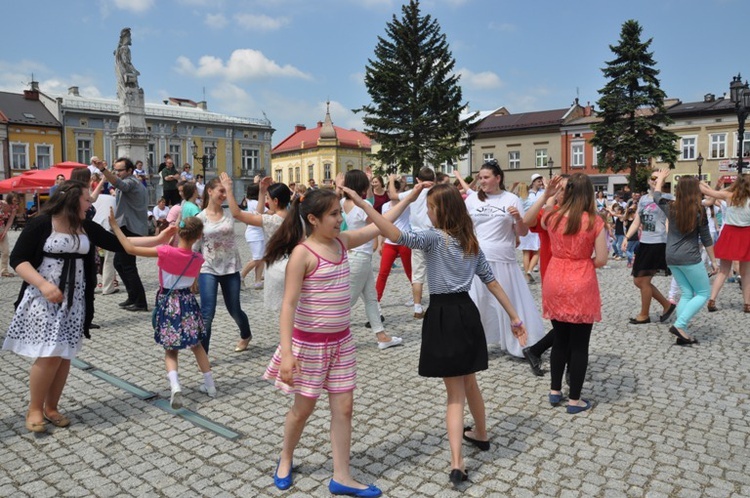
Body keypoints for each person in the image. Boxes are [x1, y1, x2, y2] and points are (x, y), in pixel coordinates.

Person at [347, 183, 526, 486]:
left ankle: (458, 463)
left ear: (440, 210)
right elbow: (492, 281)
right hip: (467, 313)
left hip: (442, 314)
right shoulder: (470, 240)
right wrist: (514, 316)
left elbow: (395, 235)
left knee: (455, 395)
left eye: (429, 207)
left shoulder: (433, 238)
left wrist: (366, 207)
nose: (426, 212)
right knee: (469, 381)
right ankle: (481, 434)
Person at [261, 186, 419, 496]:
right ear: (313, 219)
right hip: (309, 347)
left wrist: (410, 197)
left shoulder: (343, 242)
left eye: (339, 213)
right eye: (334, 214)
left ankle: (342, 476)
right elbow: (288, 306)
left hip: (342, 344)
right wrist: (288, 354)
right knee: (303, 409)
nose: (340, 219)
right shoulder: (302, 254)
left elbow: (381, 224)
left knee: (344, 409)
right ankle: (286, 456)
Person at [2, 180, 173, 433]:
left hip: (74, 298)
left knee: (64, 355)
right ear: (71, 200)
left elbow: (121, 242)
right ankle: (35, 408)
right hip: (44, 297)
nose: (90, 203)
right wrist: (43, 285)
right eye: (86, 199)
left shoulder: (86, 226)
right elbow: (19, 259)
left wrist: (160, 237)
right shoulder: (41, 223)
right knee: (49, 354)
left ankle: (52, 407)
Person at [109, 211, 216, 407]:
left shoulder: (165, 252)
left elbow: (130, 248)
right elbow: (192, 282)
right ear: (198, 236)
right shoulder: (197, 258)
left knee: (171, 349)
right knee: (197, 345)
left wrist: (116, 227)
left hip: (169, 301)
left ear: (179, 232)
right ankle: (210, 386)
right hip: (188, 301)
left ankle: (175, 387)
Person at [541, 173, 608, 414]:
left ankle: (555, 390)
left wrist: (550, 196)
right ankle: (575, 400)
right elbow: (601, 258)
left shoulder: (553, 217)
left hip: (555, 277)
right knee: (579, 345)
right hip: (581, 279)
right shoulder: (594, 222)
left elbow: (544, 210)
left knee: (559, 340)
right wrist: (583, 261)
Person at [464, 160, 544, 360]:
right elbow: (464, 227)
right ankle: (474, 343)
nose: (482, 181)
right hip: (477, 257)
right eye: (480, 178)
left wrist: (518, 219)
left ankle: (518, 342)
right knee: (477, 301)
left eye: (486, 177)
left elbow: (523, 231)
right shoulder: (472, 200)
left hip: (503, 258)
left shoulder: (511, 199)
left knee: (508, 301)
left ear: (498, 178)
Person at [652, 170, 718, 344]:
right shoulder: (700, 210)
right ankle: (680, 324)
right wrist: (713, 261)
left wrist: (660, 179)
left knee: (688, 293)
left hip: (671, 257)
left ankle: (682, 332)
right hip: (690, 257)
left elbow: (656, 196)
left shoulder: (671, 205)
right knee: (703, 293)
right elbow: (706, 239)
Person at [342, 170, 402, 349]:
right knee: (346, 302)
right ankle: (325, 336)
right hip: (359, 257)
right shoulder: (361, 208)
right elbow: (380, 225)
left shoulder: (344, 202)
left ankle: (382, 335)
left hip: (359, 256)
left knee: (371, 298)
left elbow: (369, 201)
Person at [195, 178, 252, 354]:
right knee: (207, 314)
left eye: (226, 191)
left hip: (230, 267)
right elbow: (195, 248)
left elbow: (240, 213)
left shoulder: (230, 213)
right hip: (208, 268)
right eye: (220, 191)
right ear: (209, 191)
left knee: (234, 309)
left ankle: (246, 334)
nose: (224, 195)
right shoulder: (200, 217)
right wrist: (192, 275)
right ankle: (203, 354)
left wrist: (229, 188)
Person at [221, 174, 292, 315]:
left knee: (284, 310)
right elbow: (260, 212)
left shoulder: (273, 220)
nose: (267, 202)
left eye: (268, 199)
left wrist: (228, 189)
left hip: (278, 268)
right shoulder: (295, 217)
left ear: (276, 201)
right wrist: (262, 192)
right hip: (296, 265)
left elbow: (237, 214)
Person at [96, 157, 150, 312]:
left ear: (130, 171)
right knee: (118, 263)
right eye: (116, 170)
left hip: (130, 228)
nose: (117, 173)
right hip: (125, 227)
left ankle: (140, 302)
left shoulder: (132, 182)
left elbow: (120, 184)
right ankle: (133, 297)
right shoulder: (130, 182)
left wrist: (103, 170)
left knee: (127, 265)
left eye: (120, 170)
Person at [621, 174, 675, 324]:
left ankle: (644, 315)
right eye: (652, 177)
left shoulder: (668, 197)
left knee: (643, 280)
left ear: (663, 180)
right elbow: (636, 222)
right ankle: (667, 305)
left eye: (658, 178)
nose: (654, 180)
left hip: (658, 243)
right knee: (638, 281)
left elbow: (672, 220)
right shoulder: (643, 199)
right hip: (644, 243)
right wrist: (626, 237)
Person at [700, 173, 750, 312]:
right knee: (746, 273)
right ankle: (747, 304)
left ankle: (712, 300)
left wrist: (700, 183)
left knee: (723, 271)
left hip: (729, 233)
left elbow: (708, 192)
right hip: (746, 233)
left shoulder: (729, 196)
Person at [391, 167, 435, 318]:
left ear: (417, 179)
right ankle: (437, 304)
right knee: (438, 270)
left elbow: (392, 195)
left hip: (417, 236)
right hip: (434, 234)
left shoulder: (413, 192)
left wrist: (391, 180)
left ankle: (417, 307)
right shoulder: (437, 191)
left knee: (418, 274)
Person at [375, 175, 412, 302]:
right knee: (383, 272)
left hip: (404, 241)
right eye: (388, 191)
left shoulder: (405, 204)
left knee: (409, 272)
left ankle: (415, 297)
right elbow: (382, 226)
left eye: (391, 191)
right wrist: (380, 244)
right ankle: (376, 300)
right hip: (390, 243)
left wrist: (396, 182)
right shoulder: (385, 206)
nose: (389, 193)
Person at [238, 183, 265, 289]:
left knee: (262, 258)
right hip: (254, 234)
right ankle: (241, 275)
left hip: (259, 232)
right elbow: (266, 212)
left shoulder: (251, 201)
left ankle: (258, 281)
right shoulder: (255, 203)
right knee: (257, 258)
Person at [515, 181, 541, 283]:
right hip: (532, 226)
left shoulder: (517, 201)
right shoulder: (531, 201)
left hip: (523, 227)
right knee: (537, 250)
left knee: (525, 252)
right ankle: (530, 269)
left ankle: (526, 274)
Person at [0, 193, 20, 277]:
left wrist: (5, 232)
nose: (15, 203)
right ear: (9, 198)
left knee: (6, 250)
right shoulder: (1, 203)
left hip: (1, 227)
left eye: (17, 201)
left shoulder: (14, 208)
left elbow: (10, 221)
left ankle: (4, 271)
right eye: (14, 200)